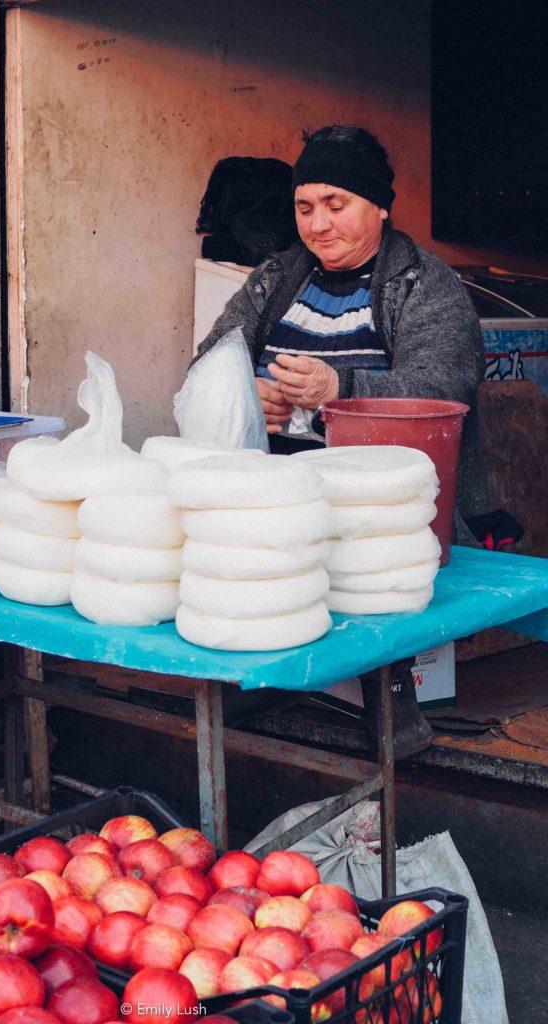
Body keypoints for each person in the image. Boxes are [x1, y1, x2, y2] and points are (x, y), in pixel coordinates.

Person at [194, 125, 489, 757]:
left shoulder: (424, 285)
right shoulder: (276, 278)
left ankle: (384, 695)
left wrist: (341, 387)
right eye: (305, 207)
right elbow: (205, 366)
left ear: (379, 205)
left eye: (338, 205)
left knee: (366, 585)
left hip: (383, 516)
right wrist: (247, 393)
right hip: (277, 509)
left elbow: (443, 388)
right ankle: (271, 684)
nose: (319, 224)